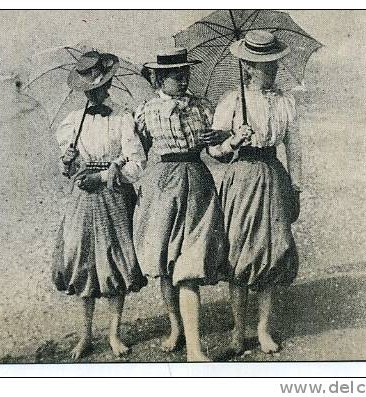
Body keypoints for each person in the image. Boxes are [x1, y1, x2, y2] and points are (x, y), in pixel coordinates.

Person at [208, 31, 303, 355]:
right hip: (242, 177)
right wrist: (235, 139)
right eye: (264, 65)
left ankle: (263, 329)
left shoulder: (284, 102)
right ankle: (238, 329)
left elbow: (294, 149)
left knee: (272, 252)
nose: (272, 69)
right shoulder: (232, 101)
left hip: (273, 176)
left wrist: (296, 186)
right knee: (239, 253)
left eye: (274, 63)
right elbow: (215, 151)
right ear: (247, 66)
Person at [133, 48, 229, 362]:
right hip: (161, 186)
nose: (183, 78)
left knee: (190, 264)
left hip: (197, 183)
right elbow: (138, 154)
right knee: (164, 263)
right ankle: (176, 327)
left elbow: (218, 154)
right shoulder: (145, 111)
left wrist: (226, 141)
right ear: (160, 77)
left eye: (186, 72)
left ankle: (195, 349)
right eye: (177, 73)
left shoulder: (202, 106)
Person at [52, 51, 148, 360]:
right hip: (83, 198)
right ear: (82, 90)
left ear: (108, 86)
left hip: (115, 195)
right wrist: (67, 163)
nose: (96, 93)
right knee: (84, 262)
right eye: (89, 90)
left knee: (116, 261)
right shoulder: (71, 122)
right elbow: (67, 170)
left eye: (100, 87)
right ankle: (85, 335)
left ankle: (114, 334)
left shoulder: (122, 117)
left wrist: (108, 175)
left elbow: (137, 164)